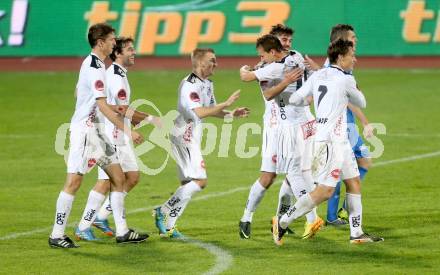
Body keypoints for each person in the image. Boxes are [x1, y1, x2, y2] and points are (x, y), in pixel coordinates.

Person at [272, 39, 384, 245]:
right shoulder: (345, 79)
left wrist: (318, 105)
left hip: (332, 139)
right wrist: (351, 87)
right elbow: (362, 102)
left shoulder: (318, 75)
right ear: (341, 57)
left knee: (353, 181)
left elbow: (296, 99)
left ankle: (356, 233)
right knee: (325, 192)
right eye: (352, 55)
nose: (355, 59)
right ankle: (283, 221)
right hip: (331, 143)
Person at [48, 24, 148, 248]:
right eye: (112, 39)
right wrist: (128, 130)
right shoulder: (94, 67)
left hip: (96, 132)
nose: (115, 43)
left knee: (119, 178)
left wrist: (93, 103)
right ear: (101, 42)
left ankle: (122, 231)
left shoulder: (98, 65)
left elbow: (80, 92)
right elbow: (101, 106)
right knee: (74, 181)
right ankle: (57, 234)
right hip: (85, 131)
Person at [153, 48, 250, 238]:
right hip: (184, 137)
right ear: (199, 63)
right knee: (200, 181)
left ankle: (170, 226)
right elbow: (198, 112)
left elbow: (211, 110)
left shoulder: (206, 83)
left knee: (187, 183)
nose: (216, 64)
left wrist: (231, 114)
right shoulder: (189, 86)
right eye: (212, 60)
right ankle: (162, 211)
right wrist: (226, 103)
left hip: (188, 136)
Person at [73, 37, 161, 240]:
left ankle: (101, 217)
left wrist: (132, 123)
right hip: (110, 135)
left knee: (132, 177)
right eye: (129, 49)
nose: (134, 52)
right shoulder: (113, 75)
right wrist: (150, 118)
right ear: (118, 54)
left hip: (118, 134)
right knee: (108, 181)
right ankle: (85, 225)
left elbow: (82, 94)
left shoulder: (116, 74)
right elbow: (118, 108)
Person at [239, 33, 323, 240]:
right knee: (271, 176)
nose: (287, 44)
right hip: (275, 127)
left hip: (292, 125)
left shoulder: (287, 60)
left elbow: (251, 79)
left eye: (289, 41)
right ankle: (247, 218)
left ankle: (295, 218)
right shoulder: (273, 64)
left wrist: (244, 69)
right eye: (283, 40)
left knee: (297, 172)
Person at [305, 24, 374, 226]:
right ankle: (334, 215)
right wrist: (365, 121)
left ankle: (341, 210)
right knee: (335, 173)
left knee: (362, 164)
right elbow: (348, 98)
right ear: (342, 42)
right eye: (353, 37)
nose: (357, 40)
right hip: (340, 127)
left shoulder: (338, 64)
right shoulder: (339, 66)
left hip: (346, 126)